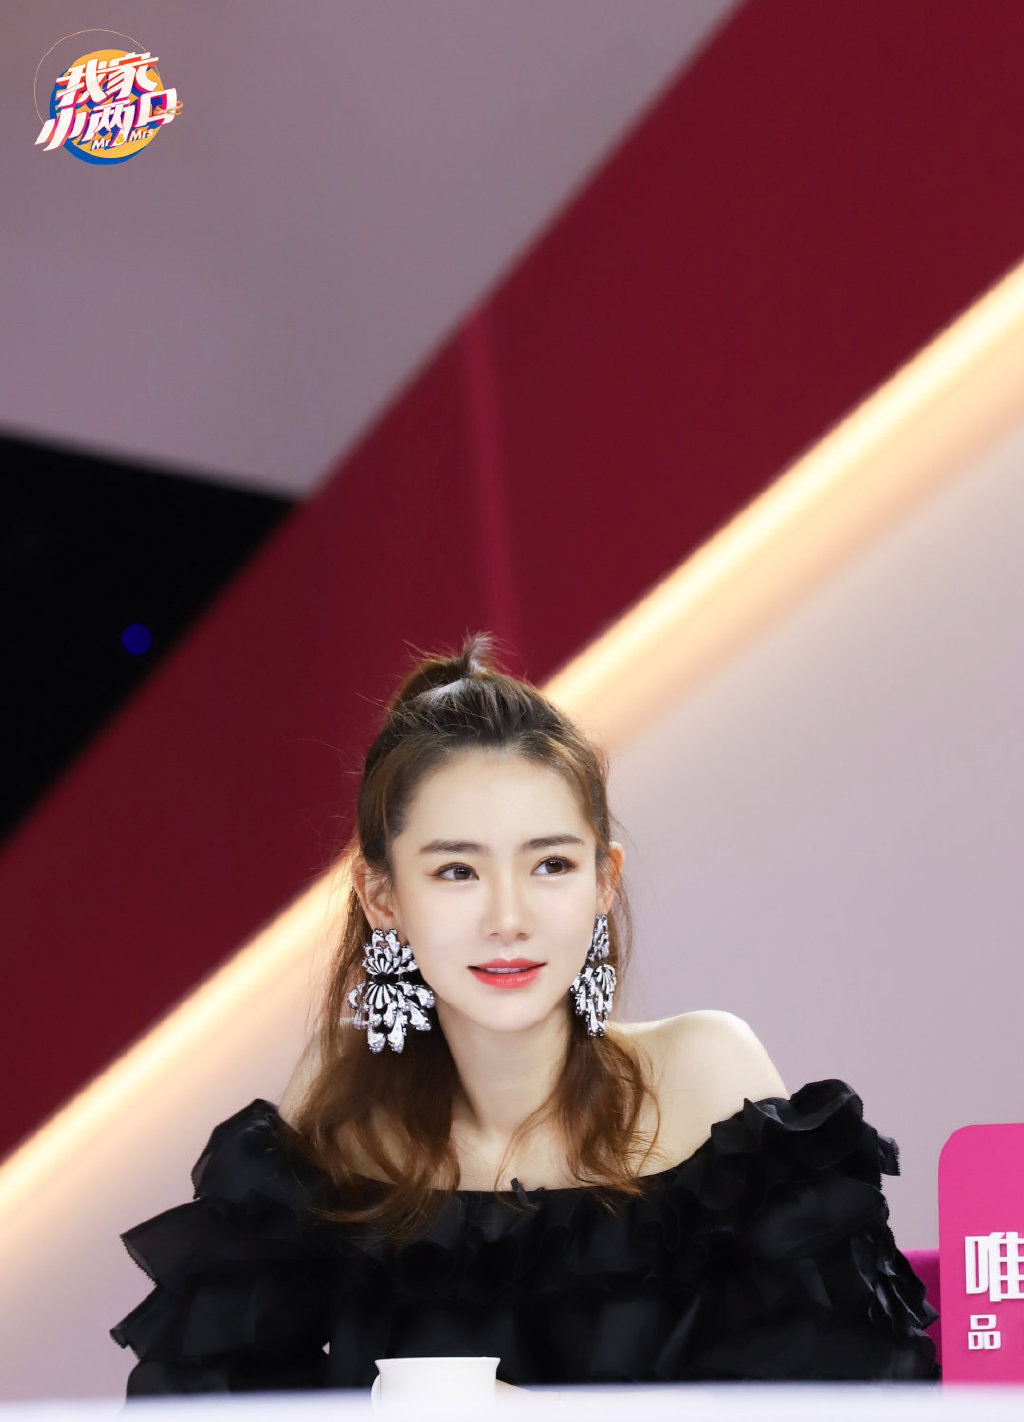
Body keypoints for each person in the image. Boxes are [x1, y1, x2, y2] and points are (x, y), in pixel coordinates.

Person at [111, 632, 940, 1392]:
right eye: (456, 872)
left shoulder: (705, 1076)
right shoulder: (343, 1101)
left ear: (604, 880)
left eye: (550, 865)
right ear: (381, 896)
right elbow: (211, 1402)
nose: (508, 917)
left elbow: (846, 1399)